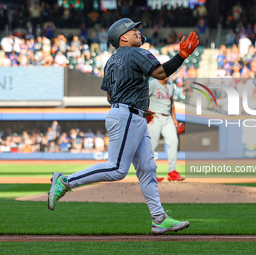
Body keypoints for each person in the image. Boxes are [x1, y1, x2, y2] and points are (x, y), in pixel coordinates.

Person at [48, 18, 199, 235]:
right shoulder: (136, 52)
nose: (138, 32)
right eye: (133, 29)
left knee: (147, 168)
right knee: (117, 169)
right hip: (127, 115)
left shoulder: (111, 61)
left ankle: (159, 218)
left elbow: (110, 96)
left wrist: (139, 107)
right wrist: (182, 56)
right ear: (123, 37)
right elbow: (160, 73)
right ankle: (66, 181)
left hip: (128, 113)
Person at [148, 76, 184, 182]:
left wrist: (175, 119)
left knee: (174, 141)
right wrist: (148, 113)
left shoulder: (170, 85)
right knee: (152, 145)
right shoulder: (153, 84)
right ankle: (149, 174)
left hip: (167, 117)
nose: (168, 74)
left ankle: (172, 172)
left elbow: (171, 102)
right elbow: (142, 98)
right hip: (155, 117)